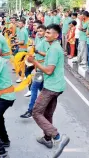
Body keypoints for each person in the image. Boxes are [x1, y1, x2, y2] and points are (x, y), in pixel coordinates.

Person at [27, 24, 69, 158]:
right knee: (47, 113)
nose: (46, 35)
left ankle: (57, 137)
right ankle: (47, 138)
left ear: (56, 35)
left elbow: (49, 71)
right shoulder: (54, 47)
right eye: (46, 33)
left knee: (36, 112)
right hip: (57, 86)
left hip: (51, 87)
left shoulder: (54, 49)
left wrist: (34, 61)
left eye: (49, 33)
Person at [20, 24, 49, 118]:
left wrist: (37, 52)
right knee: (42, 89)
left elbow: (48, 54)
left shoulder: (46, 41)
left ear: (45, 32)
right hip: (38, 66)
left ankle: (31, 110)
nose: (39, 32)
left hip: (43, 68)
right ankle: (47, 106)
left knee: (34, 87)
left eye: (41, 31)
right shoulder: (38, 38)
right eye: (38, 31)